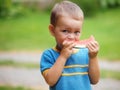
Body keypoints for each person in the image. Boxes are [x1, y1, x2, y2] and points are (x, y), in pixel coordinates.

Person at [40, 1, 100, 90]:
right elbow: (50, 80)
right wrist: (63, 56)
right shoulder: (49, 55)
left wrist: (93, 57)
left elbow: (95, 80)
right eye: (65, 31)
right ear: (52, 30)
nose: (71, 37)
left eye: (77, 32)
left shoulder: (86, 53)